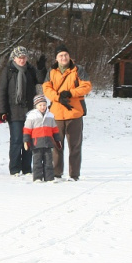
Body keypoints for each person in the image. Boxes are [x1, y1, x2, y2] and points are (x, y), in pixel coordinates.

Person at [42, 44, 92, 181]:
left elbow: (87, 86)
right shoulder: (51, 71)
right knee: (56, 145)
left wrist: (70, 93)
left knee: (75, 146)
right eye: (60, 55)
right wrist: (58, 97)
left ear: (69, 56)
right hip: (57, 114)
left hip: (74, 113)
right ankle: (56, 173)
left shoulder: (78, 69)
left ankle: (74, 174)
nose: (63, 58)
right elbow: (46, 88)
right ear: (56, 58)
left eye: (65, 55)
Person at [0, 46, 43, 176]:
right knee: (17, 140)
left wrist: (40, 68)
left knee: (28, 140)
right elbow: (2, 91)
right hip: (13, 111)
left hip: (29, 111)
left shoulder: (31, 70)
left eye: (24, 57)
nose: (22, 60)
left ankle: (27, 168)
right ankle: (15, 168)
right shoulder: (8, 71)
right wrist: (2, 111)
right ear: (14, 58)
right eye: (19, 58)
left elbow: (40, 81)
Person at [23, 95, 62, 182]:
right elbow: (27, 130)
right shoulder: (31, 116)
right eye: (40, 105)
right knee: (37, 162)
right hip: (36, 143)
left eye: (44, 105)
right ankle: (37, 177)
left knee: (48, 162)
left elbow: (54, 129)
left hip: (48, 143)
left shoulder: (50, 116)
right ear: (36, 106)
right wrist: (26, 141)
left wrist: (57, 140)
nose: (42, 107)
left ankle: (49, 177)